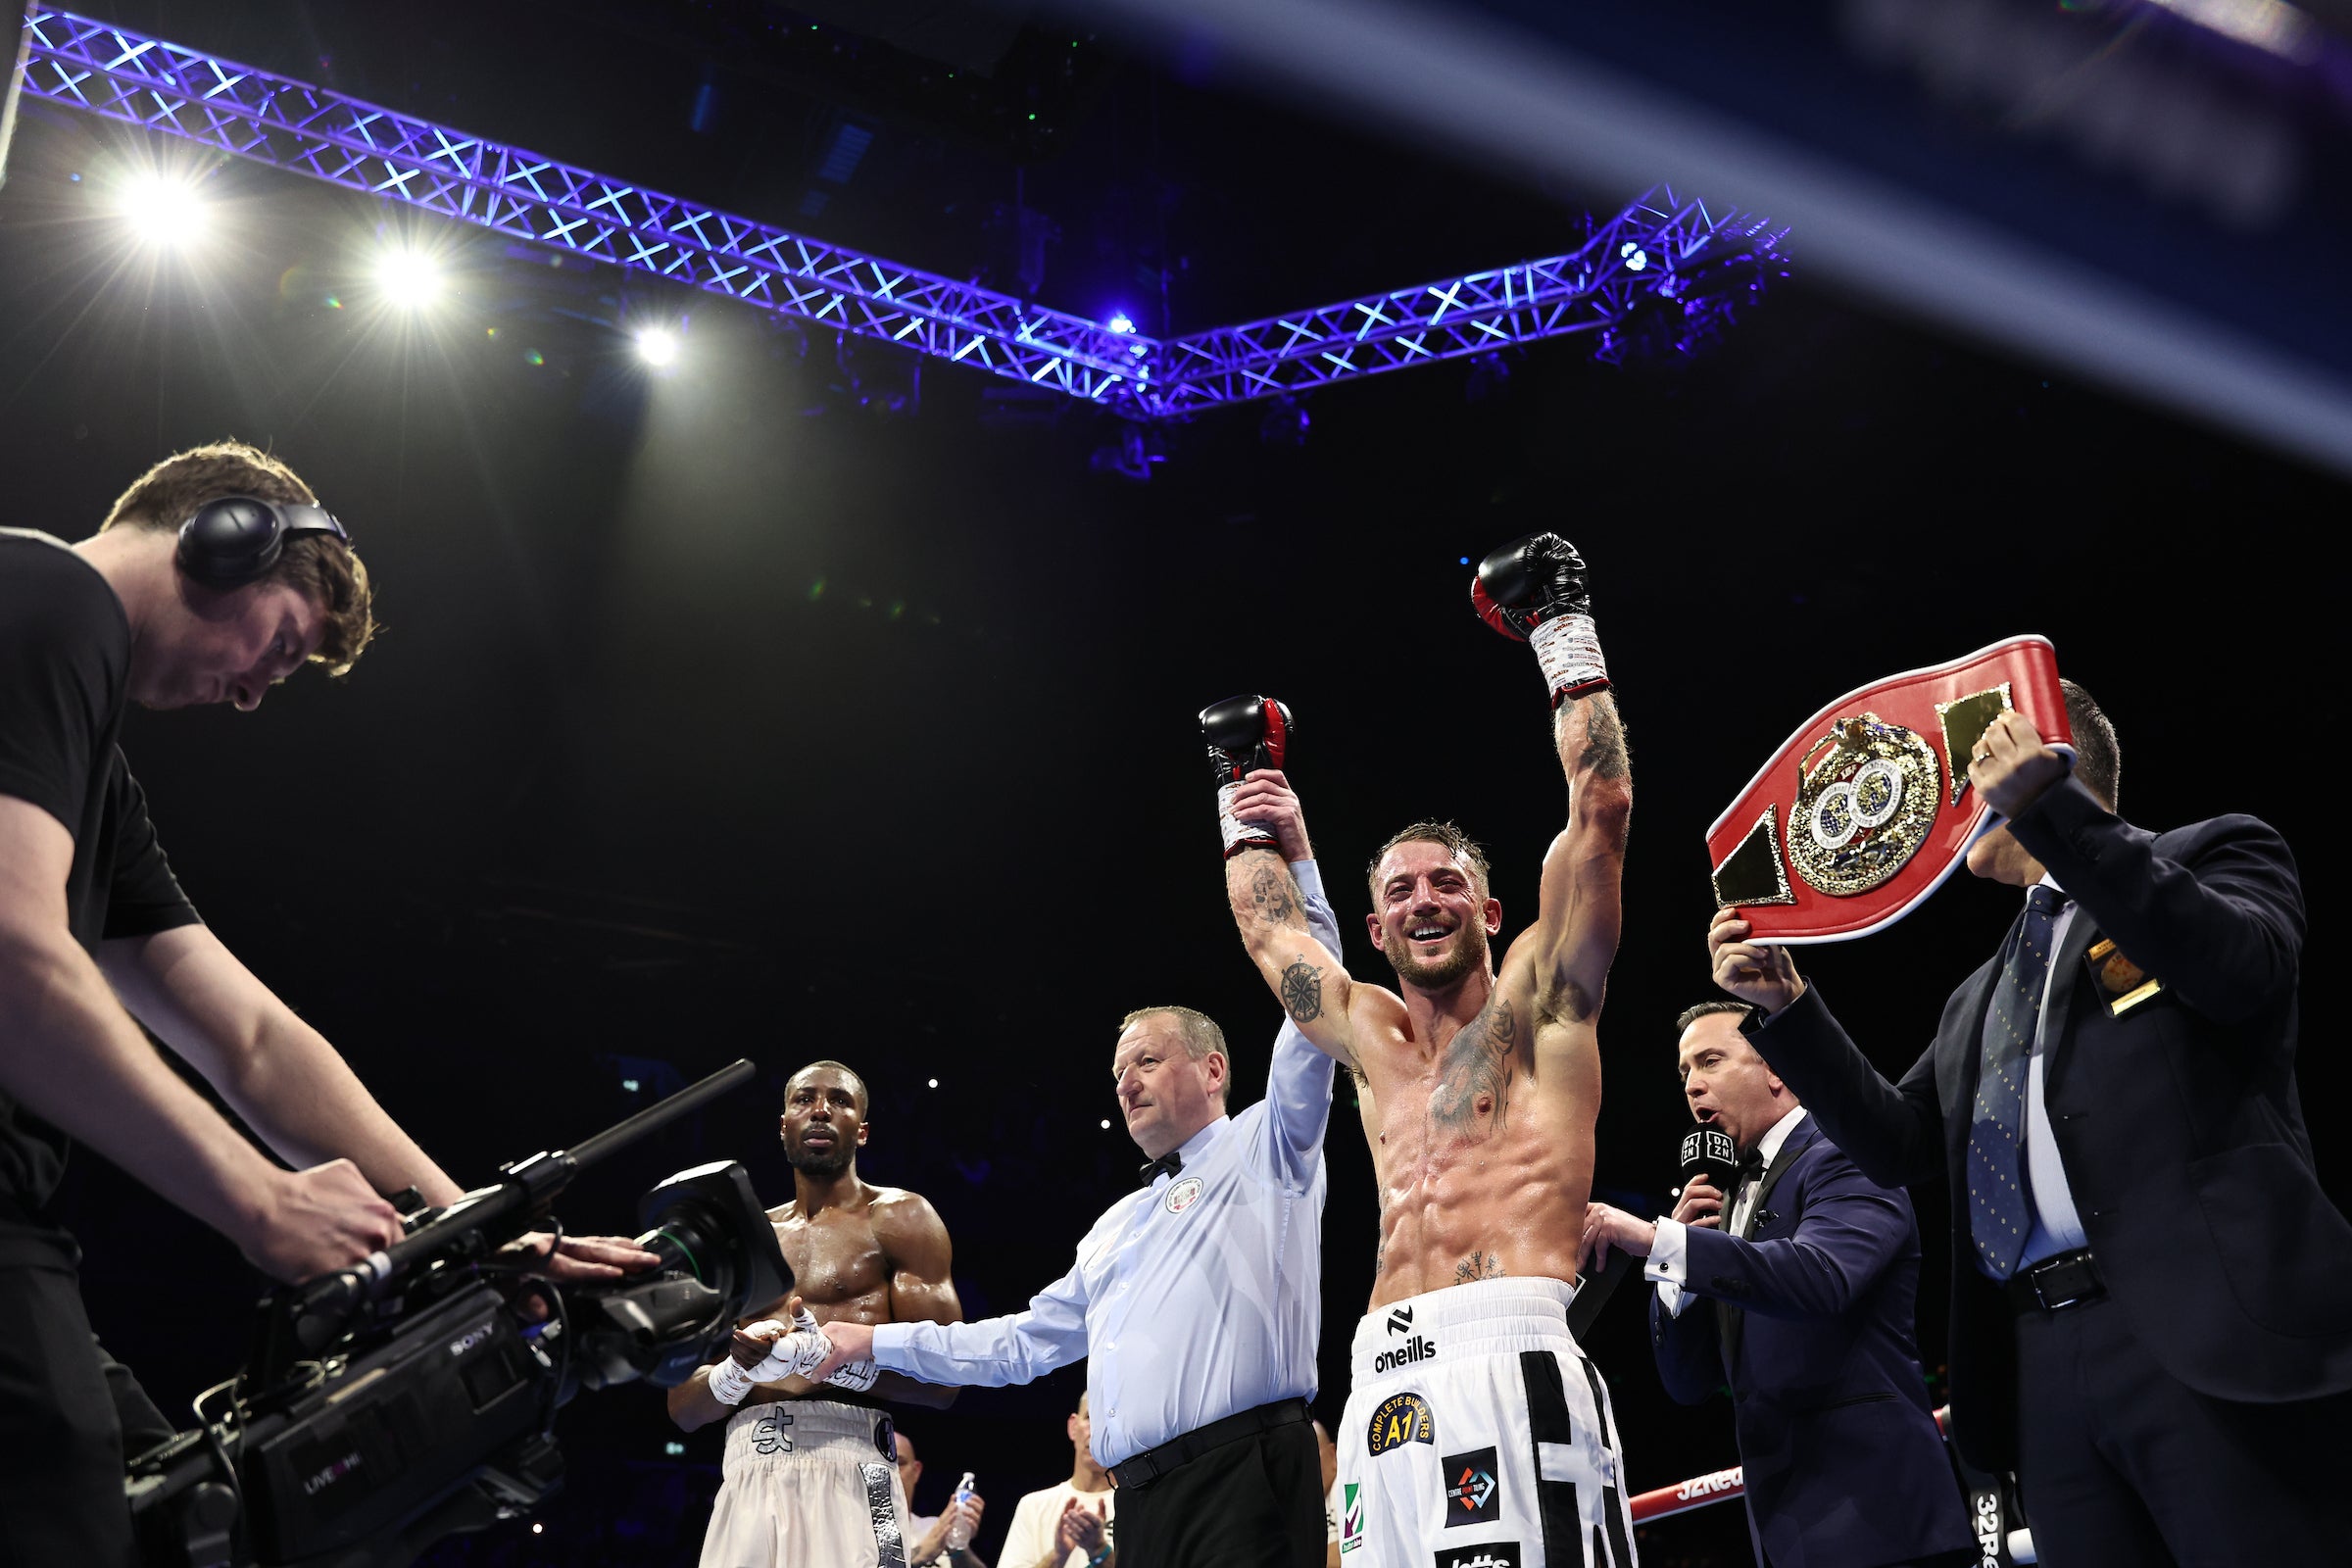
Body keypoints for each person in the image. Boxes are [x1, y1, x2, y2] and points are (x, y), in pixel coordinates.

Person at [0, 444, 651, 1567]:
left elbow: (251, 1041)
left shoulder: (95, 774)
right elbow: (11, 954)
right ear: (222, 539)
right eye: (281, 644)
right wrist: (257, 1198)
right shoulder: (47, 596)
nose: (254, 692)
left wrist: (482, 1239)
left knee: (188, 1522)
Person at [1706, 682, 2352, 1565]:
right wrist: (1788, 1006)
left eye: (1966, 771)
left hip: (2208, 1334)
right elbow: (1897, 1145)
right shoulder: (1981, 994)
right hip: (2039, 1360)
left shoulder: (2217, 853)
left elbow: (2236, 970)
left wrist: (2054, 812)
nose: (1947, 805)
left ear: (2042, 757)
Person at [1215, 533, 1637, 1568]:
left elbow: (1602, 809)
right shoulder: (1367, 1040)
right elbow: (1268, 930)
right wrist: (1243, 788)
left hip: (1511, 1352)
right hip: (1381, 1380)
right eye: (1399, 891)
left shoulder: (1546, 1006)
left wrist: (1560, 628)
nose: (1424, 900)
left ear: (1491, 909)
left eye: (1445, 882)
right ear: (1375, 928)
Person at [804, 794, 1344, 1568]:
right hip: (1141, 1502)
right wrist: (872, 1340)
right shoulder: (1115, 1225)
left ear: (1214, 1068)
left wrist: (1294, 861)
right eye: (1119, 1072)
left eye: (1148, 1061)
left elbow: (1315, 1005)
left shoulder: (1270, 1143)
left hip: (1247, 1476)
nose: (1126, 1084)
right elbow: (1016, 1346)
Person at [1582, 1003, 1973, 1568]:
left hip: (1881, 1516)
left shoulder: (1844, 1153)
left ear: (1779, 1070)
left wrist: (1659, 1244)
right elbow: (1688, 1385)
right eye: (1685, 1071)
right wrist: (1680, 1277)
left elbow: (1824, 1278)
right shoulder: (1733, 1195)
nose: (1693, 1086)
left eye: (1711, 1061)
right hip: (1786, 1527)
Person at [671, 1059, 964, 1568]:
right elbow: (683, 1407)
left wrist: (829, 1360)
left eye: (841, 1101)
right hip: (748, 1466)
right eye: (804, 1099)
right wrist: (734, 1372)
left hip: (860, 1465)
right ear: (783, 1123)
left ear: (863, 1130)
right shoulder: (744, 1242)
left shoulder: (901, 1219)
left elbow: (946, 1379)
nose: (821, 1111)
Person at [999, 1393, 1115, 1568]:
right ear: (1073, 1426)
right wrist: (1059, 1555)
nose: (1098, 1431)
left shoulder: (1137, 1507)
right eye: (1090, 1418)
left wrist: (1098, 1549)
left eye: (1108, 1421)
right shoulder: (1033, 1506)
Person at [895, 1428, 992, 1568]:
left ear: (916, 1471)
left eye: (899, 1463)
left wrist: (958, 1545)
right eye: (883, 1464)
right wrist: (921, 1554)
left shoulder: (935, 1528)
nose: (891, 1472)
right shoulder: (856, 1531)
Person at [1312, 1420, 1341, 1568]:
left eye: (1311, 1456)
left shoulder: (1346, 1487)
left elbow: (1352, 1553)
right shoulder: (1304, 1508)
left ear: (1332, 1455)